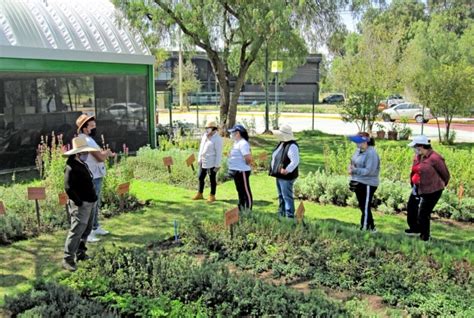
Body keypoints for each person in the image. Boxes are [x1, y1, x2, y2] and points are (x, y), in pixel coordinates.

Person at [62, 135, 100, 271]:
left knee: (86, 229)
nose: (87, 154)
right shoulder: (71, 167)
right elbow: (68, 187)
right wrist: (79, 202)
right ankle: (68, 259)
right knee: (77, 230)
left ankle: (80, 253)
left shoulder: (82, 163)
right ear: (78, 153)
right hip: (82, 204)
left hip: (90, 202)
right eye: (85, 152)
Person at [76, 114, 115, 242]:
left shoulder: (86, 139)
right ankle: (87, 233)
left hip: (95, 175)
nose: (94, 128)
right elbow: (100, 157)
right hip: (91, 176)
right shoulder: (85, 140)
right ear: (84, 128)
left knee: (95, 203)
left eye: (95, 126)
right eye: (92, 126)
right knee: (90, 205)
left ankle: (95, 226)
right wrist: (107, 153)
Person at [405, 135, 450, 241]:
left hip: (432, 190)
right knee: (411, 208)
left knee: (423, 213)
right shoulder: (418, 156)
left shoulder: (435, 158)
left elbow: (445, 174)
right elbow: (415, 170)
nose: (414, 149)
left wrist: (441, 184)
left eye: (415, 147)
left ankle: (425, 236)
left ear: (421, 146)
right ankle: (415, 229)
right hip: (418, 187)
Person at [348, 132, 380, 232]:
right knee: (363, 206)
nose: (357, 144)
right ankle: (371, 228)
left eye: (359, 142)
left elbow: (368, 171)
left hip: (368, 183)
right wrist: (350, 167)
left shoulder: (371, 153)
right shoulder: (358, 150)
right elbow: (353, 161)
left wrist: (354, 170)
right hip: (358, 181)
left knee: (365, 207)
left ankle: (365, 228)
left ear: (365, 142)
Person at [269, 124, 300, 219]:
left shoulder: (292, 146)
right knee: (281, 195)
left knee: (286, 196)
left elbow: (295, 161)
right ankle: (282, 213)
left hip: (286, 176)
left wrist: (287, 170)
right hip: (280, 175)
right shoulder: (282, 143)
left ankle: (289, 216)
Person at [192, 121, 223, 203]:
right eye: (206, 128)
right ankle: (200, 193)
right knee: (200, 177)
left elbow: (219, 153)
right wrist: (199, 159)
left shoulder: (217, 139)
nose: (206, 130)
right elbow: (201, 149)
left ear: (214, 129)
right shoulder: (205, 137)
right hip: (203, 161)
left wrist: (217, 165)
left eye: (208, 128)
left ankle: (212, 195)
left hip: (212, 162)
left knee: (212, 179)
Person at [227, 124, 253, 211]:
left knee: (245, 190)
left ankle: (248, 209)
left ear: (238, 133)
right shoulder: (236, 143)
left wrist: (245, 164)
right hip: (236, 171)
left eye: (233, 133)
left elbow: (248, 158)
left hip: (242, 171)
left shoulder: (243, 143)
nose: (231, 135)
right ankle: (241, 207)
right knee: (240, 190)